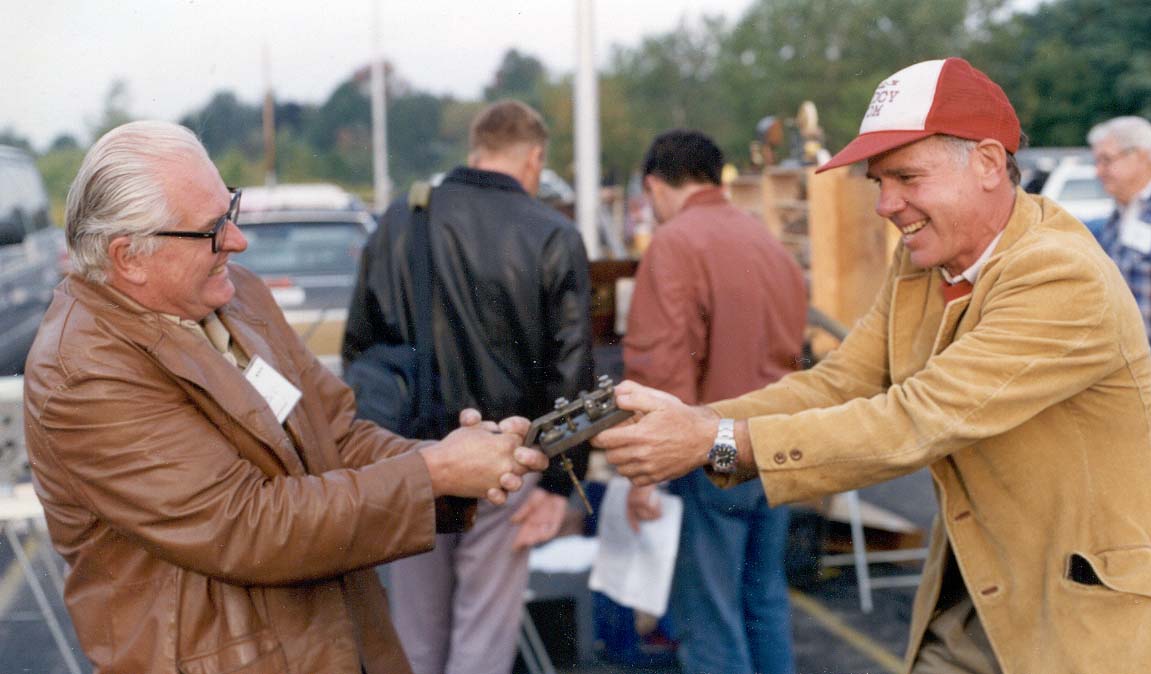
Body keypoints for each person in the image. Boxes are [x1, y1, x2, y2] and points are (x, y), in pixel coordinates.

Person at [594, 58, 1151, 674]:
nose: (886, 204)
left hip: (1091, 626)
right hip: (982, 606)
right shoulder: (923, 262)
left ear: (988, 163)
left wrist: (711, 441)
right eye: (878, 181)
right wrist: (697, 419)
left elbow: (915, 420)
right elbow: (841, 382)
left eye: (906, 176)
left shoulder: (1060, 273)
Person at [21, 120, 548, 674]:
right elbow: (245, 526)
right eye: (211, 230)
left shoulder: (236, 296)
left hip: (335, 638)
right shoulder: (83, 374)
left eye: (231, 209)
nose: (237, 239)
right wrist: (435, 473)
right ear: (127, 256)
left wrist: (463, 460)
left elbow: (335, 434)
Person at [343, 99, 594, 674]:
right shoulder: (553, 233)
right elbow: (570, 371)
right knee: (484, 634)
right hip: (506, 459)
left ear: (477, 149)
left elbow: (361, 341)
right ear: (534, 158)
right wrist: (559, 483)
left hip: (413, 459)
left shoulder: (401, 219)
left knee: (414, 634)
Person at [621, 129, 806, 674]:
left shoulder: (674, 244)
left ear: (655, 186)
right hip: (774, 447)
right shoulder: (766, 242)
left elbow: (661, 369)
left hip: (709, 454)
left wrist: (644, 476)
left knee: (709, 617)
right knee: (764, 600)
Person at [1087, 116, 1151, 402]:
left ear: (1141, 156)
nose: (1099, 171)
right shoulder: (1121, 212)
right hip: (1128, 368)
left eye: (1106, 160)